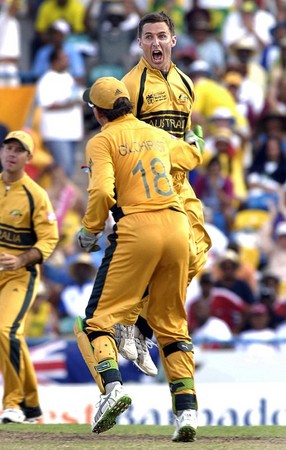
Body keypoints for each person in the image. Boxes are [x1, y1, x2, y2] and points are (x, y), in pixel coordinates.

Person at [74, 76, 203, 442]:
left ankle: (112, 390)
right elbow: (191, 156)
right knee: (172, 324)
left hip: (137, 229)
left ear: (98, 113)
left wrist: (89, 230)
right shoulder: (156, 134)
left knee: (97, 321)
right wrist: (197, 140)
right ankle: (187, 412)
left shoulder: (101, 140)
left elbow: (101, 190)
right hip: (178, 228)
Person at [117, 11, 211, 374]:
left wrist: (194, 142)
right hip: (150, 186)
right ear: (140, 42)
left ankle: (138, 326)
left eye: (161, 36)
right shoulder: (131, 84)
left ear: (173, 40)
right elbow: (122, 138)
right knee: (168, 255)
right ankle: (134, 322)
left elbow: (187, 130)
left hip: (180, 181)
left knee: (197, 252)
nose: (155, 43)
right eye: (148, 37)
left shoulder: (186, 83)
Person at [0, 130, 59, 424]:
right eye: (8, 148)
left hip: (19, 276)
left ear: (28, 158)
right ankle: (33, 406)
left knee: (6, 330)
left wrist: (20, 259)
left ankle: (12, 404)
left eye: (18, 150)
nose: (11, 153)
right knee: (12, 336)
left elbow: (49, 240)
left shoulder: (36, 195)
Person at [36, 47, 84, 178]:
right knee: (63, 171)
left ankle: (61, 198)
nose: (68, 61)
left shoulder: (68, 77)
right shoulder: (46, 80)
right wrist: (70, 102)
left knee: (68, 172)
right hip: (55, 133)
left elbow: (77, 96)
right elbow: (47, 104)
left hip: (71, 132)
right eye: (64, 58)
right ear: (55, 61)